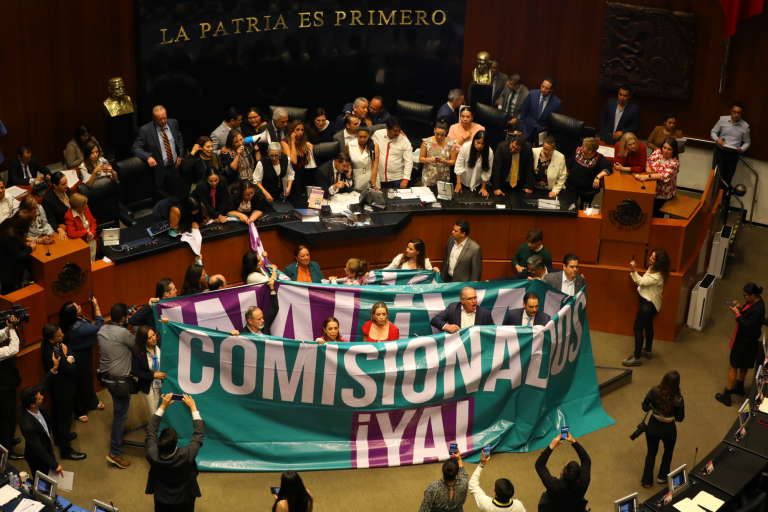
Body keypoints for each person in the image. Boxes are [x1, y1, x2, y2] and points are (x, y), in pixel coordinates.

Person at [146, 394, 204, 512]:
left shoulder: (151, 453)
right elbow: (199, 434)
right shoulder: (187, 455)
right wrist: (193, 408)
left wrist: (162, 406)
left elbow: (151, 430)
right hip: (185, 499)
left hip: (161, 498)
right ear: (176, 445)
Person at [98, 303, 137, 469]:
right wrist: (136, 321)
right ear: (123, 318)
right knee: (120, 415)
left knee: (118, 408)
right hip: (119, 381)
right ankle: (115, 453)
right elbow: (138, 345)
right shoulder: (123, 333)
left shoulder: (101, 330)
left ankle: (119, 430)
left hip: (105, 378)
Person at [40, 323, 86, 460]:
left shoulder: (47, 344)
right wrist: (68, 357)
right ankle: (66, 451)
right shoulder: (55, 354)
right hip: (63, 390)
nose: (63, 336)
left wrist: (67, 355)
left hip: (55, 388)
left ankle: (60, 439)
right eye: (59, 335)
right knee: (64, 420)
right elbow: (71, 369)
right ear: (51, 339)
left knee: (56, 414)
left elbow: (67, 348)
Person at [716, 283, 766, 406]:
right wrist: (740, 308)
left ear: (752, 295)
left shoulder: (759, 309)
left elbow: (748, 325)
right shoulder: (757, 302)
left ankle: (726, 395)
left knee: (734, 366)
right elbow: (749, 313)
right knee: (743, 365)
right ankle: (740, 386)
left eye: (745, 296)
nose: (744, 297)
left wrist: (737, 314)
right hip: (749, 341)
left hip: (745, 342)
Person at [59, 298, 105, 423]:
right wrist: (96, 305)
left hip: (85, 352)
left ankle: (92, 402)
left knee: (89, 379)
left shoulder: (76, 319)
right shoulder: (76, 328)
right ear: (73, 315)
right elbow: (98, 327)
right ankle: (80, 411)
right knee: (81, 383)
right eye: (77, 307)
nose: (80, 305)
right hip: (80, 356)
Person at [623, 249, 670, 367]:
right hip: (649, 304)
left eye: (653, 258)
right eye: (651, 256)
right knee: (648, 326)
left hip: (648, 305)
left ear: (659, 262)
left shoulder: (657, 276)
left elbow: (641, 281)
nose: (650, 258)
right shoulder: (656, 269)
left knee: (638, 328)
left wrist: (633, 269)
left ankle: (636, 357)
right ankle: (648, 350)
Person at [18, 366, 66, 480]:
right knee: (43, 481)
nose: (43, 397)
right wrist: (55, 465)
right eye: (40, 398)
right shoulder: (27, 425)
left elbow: (43, 384)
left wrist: (54, 368)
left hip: (45, 444)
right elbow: (39, 449)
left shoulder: (32, 400)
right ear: (32, 405)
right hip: (37, 458)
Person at [641, 371, 685, 488]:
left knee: (651, 453)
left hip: (653, 425)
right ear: (677, 384)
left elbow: (644, 407)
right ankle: (662, 477)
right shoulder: (679, 399)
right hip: (668, 429)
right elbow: (680, 418)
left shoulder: (653, 391)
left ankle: (647, 481)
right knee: (668, 452)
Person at [131, 105, 185, 197]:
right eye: (160, 119)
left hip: (175, 169)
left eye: (164, 118)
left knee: (177, 197)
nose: (163, 121)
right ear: (154, 118)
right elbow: (135, 148)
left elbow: (179, 138)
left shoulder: (173, 123)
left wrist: (180, 154)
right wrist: (147, 157)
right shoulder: (146, 130)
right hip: (160, 171)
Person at [535, 432, 591, 512]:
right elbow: (586, 460)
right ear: (579, 478)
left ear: (562, 473)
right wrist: (574, 442)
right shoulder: (583, 483)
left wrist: (551, 446)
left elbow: (539, 465)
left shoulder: (554, 486)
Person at [637, 138, 680, 218]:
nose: (665, 151)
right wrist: (647, 167)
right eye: (664, 147)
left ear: (674, 150)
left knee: (654, 215)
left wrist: (648, 176)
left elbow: (664, 176)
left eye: (669, 149)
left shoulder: (675, 163)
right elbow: (648, 160)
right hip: (650, 187)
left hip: (662, 194)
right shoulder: (657, 152)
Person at [0, 315, 23, 461]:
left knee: (6, 419)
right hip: (3, 388)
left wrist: (9, 327)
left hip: (5, 383)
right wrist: (12, 329)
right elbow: (14, 348)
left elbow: (0, 335)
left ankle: (6, 440)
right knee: (6, 419)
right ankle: (7, 450)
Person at [565, 137, 612, 209]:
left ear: (590, 150)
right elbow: (569, 164)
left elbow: (609, 169)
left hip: (587, 189)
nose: (581, 147)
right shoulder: (578, 150)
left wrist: (598, 177)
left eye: (584, 147)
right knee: (570, 205)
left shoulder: (599, 158)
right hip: (572, 185)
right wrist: (566, 174)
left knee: (584, 207)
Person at [710, 102, 750, 186]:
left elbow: (747, 142)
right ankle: (713, 197)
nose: (736, 115)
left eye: (738, 113)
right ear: (731, 111)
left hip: (733, 154)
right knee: (716, 175)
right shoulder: (722, 119)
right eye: (734, 112)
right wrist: (717, 139)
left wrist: (742, 149)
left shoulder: (745, 126)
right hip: (720, 151)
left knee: (727, 178)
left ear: (742, 113)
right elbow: (713, 132)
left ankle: (724, 197)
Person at [132, 326, 166, 419]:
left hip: (164, 384)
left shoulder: (160, 343)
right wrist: (154, 375)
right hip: (149, 386)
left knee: (166, 410)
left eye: (154, 335)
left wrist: (164, 323)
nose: (153, 338)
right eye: (150, 338)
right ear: (143, 340)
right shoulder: (137, 352)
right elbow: (136, 371)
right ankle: (155, 432)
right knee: (154, 412)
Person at [518, 77, 562, 145]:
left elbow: (553, 124)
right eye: (542, 86)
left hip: (542, 134)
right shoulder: (532, 94)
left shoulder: (556, 103)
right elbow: (524, 112)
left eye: (546, 88)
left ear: (552, 89)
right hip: (527, 129)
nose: (543, 89)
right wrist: (520, 130)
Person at [372, 117, 412, 189]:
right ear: (387, 128)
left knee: (398, 199)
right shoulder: (377, 135)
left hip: (397, 178)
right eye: (395, 131)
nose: (397, 133)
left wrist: (406, 179)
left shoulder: (405, 141)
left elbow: (408, 161)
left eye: (399, 130)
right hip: (380, 176)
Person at [0, 213, 35, 295]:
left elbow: (11, 247)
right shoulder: (12, 236)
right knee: (11, 295)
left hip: (2, 263)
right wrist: (30, 248)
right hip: (9, 272)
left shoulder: (7, 223)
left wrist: (23, 244)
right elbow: (18, 256)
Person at [420, 121, 459, 186]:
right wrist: (429, 159)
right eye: (437, 134)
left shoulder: (451, 144)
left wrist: (445, 161)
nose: (439, 137)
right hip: (429, 176)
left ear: (446, 132)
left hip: (443, 176)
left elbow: (453, 161)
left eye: (442, 135)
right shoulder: (426, 142)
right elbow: (421, 159)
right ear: (434, 130)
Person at [281, 120, 315, 195]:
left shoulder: (303, 143)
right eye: (297, 130)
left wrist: (309, 150)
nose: (300, 132)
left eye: (302, 130)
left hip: (302, 174)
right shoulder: (284, 142)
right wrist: (292, 143)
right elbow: (293, 161)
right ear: (292, 130)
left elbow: (308, 161)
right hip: (291, 175)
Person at [455, 131, 493, 197]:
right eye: (478, 142)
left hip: (478, 184)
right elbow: (459, 165)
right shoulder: (465, 147)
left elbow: (487, 170)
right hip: (463, 182)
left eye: (482, 144)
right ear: (474, 140)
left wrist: (483, 188)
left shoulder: (489, 152)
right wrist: (458, 183)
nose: (479, 146)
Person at [64, 192, 98, 261]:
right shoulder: (69, 216)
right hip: (82, 243)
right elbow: (71, 234)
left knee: (93, 261)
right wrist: (86, 232)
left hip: (92, 239)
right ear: (77, 207)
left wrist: (92, 232)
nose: (86, 205)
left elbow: (93, 221)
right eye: (83, 205)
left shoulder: (85, 208)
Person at [346, 126, 379, 193]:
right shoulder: (349, 145)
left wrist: (373, 183)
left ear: (369, 135)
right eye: (360, 137)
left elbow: (375, 165)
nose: (362, 139)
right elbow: (346, 162)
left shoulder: (374, 145)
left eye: (365, 137)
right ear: (356, 135)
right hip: (357, 177)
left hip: (372, 176)